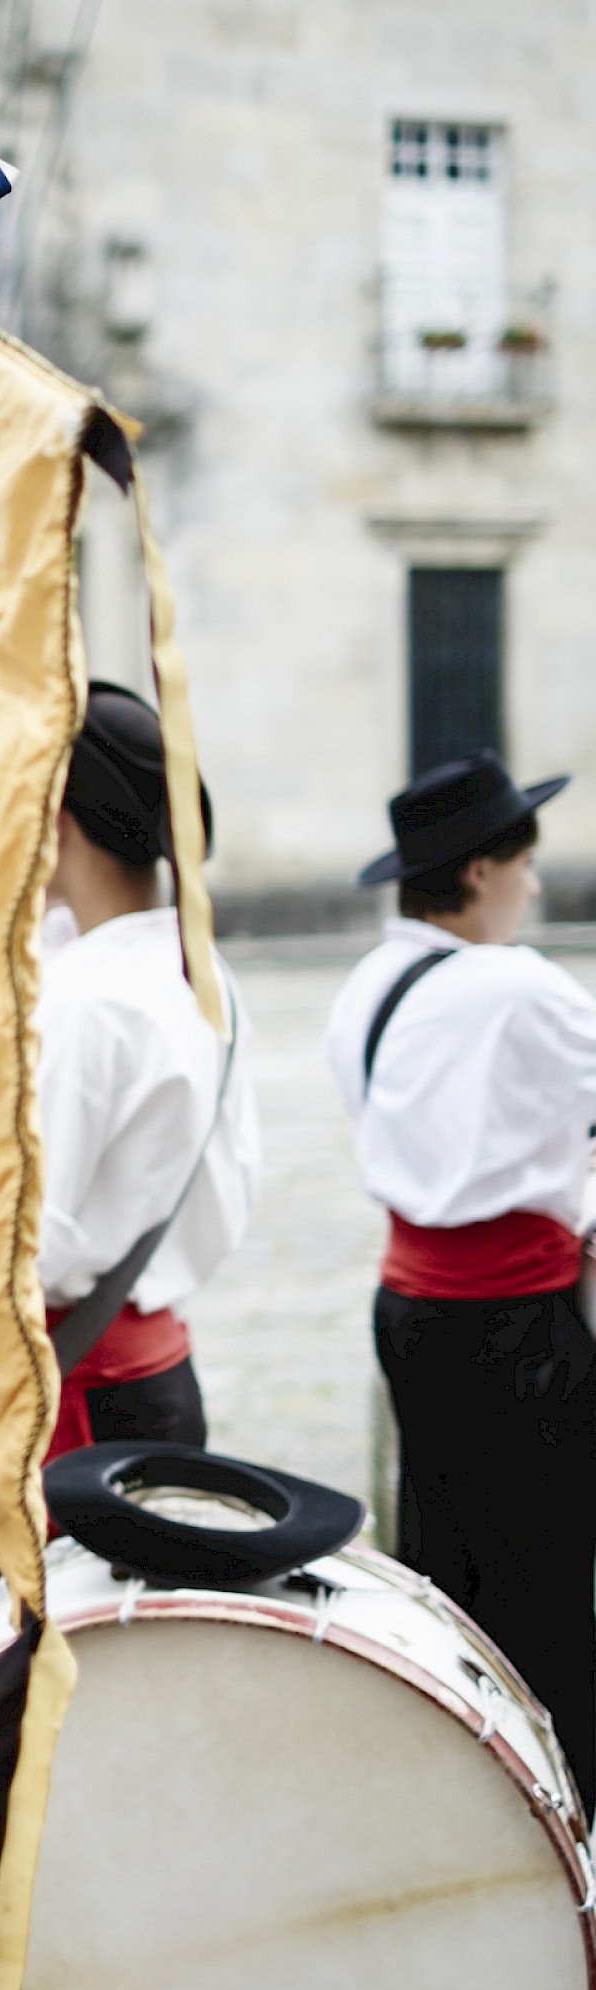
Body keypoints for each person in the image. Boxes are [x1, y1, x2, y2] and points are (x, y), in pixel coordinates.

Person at [325, 752, 596, 1813]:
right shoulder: (517, 985)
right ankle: (561, 1800)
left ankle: (453, 1784)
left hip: (410, 1309)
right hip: (516, 1321)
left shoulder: (365, 987)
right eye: (523, 868)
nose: (530, 888)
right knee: (541, 1574)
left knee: (441, 1561)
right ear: (481, 872)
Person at [36, 681, 261, 1460]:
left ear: (55, 822)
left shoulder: (87, 1001)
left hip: (80, 1396)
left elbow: (27, 1243)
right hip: (153, 1368)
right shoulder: (195, 968)